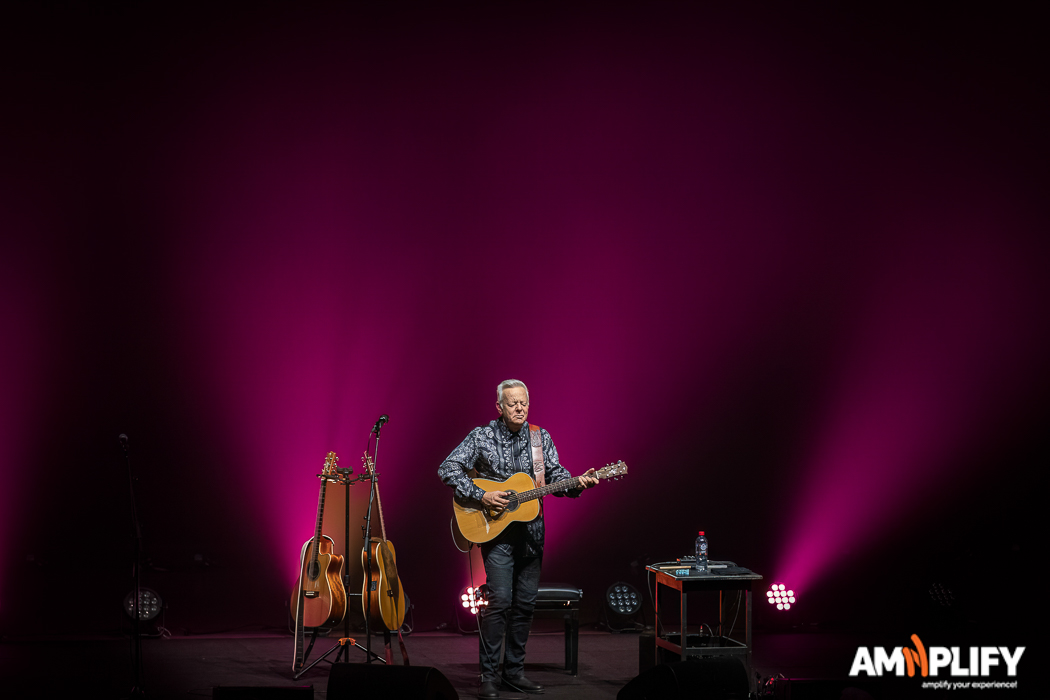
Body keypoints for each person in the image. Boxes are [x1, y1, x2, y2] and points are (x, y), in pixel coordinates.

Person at [438, 379, 599, 698]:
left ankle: (514, 672)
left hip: (532, 535)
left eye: (524, 402)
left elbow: (556, 478)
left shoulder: (541, 438)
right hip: (496, 536)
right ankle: (488, 675)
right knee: (499, 603)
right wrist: (482, 494)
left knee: (525, 605)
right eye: (512, 403)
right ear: (499, 406)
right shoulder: (481, 437)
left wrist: (579, 483)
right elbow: (448, 469)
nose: (520, 408)